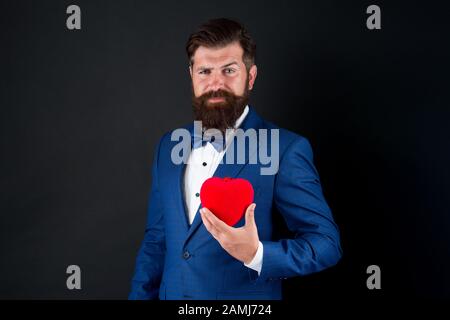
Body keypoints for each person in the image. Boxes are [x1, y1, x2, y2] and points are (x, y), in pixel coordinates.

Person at [129, 18, 342, 300]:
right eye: (205, 71)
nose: (216, 83)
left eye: (229, 70)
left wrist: (257, 254)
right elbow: (156, 242)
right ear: (191, 74)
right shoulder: (168, 147)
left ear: (250, 77)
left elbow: (326, 244)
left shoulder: (286, 148)